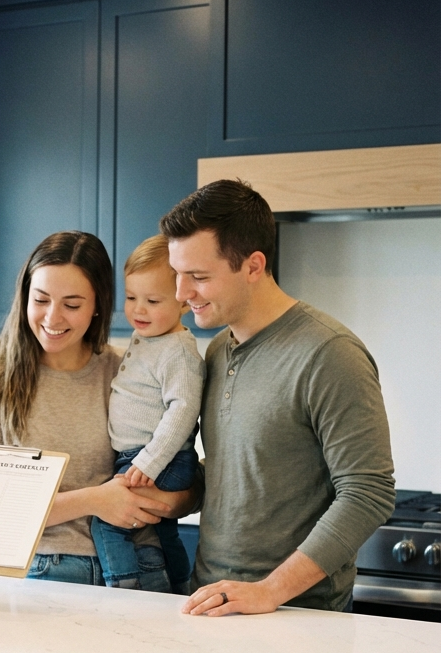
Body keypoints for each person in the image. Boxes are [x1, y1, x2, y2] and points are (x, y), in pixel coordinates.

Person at [161, 179, 395, 616]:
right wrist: (174, 497)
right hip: (211, 601)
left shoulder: (330, 354)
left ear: (253, 266)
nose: (180, 293)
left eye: (199, 277)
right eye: (177, 273)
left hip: (301, 614)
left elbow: (368, 493)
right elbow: (240, 468)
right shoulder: (218, 350)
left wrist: (269, 591)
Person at [0, 231, 196, 587]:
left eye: (72, 305)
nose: (52, 317)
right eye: (41, 300)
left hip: (145, 563)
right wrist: (95, 501)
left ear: (98, 305)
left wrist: (169, 502)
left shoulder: (127, 370)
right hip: (46, 571)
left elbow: (190, 478)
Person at [90, 236, 205, 593]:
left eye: (153, 301)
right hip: (145, 457)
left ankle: (122, 585)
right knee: (163, 530)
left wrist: (149, 462)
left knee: (106, 522)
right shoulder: (149, 337)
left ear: (183, 301)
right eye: (131, 298)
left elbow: (183, 410)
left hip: (160, 460)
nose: (139, 310)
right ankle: (180, 583)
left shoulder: (177, 351)